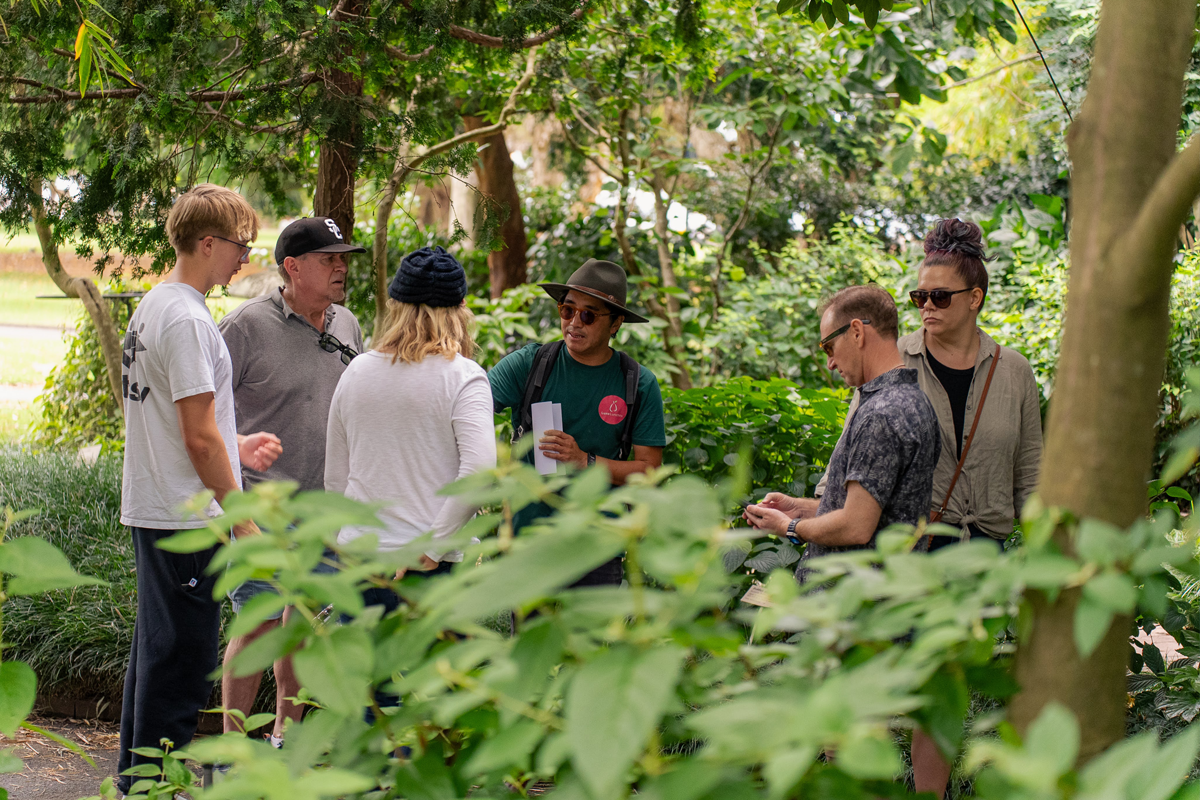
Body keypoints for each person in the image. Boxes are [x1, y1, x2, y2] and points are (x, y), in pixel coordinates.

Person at [117, 184, 282, 795]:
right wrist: (241, 517)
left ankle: (136, 786)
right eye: (241, 246)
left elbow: (179, 420)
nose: (245, 259)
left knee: (155, 658)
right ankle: (154, 788)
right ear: (207, 242)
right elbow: (197, 438)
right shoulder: (187, 318)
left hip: (157, 505)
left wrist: (232, 445)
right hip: (186, 519)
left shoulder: (156, 305)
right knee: (180, 672)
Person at [899, 218, 1043, 798]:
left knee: (944, 686)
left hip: (979, 550)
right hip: (909, 543)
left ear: (975, 297)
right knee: (882, 676)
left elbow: (1031, 471)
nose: (926, 307)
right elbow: (858, 450)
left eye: (939, 296)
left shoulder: (1014, 372)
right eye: (919, 297)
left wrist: (1040, 561)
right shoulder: (897, 360)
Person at [216, 217, 366, 745]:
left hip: (325, 508)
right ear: (292, 267)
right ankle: (230, 754)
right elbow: (204, 417)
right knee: (256, 629)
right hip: (262, 510)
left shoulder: (347, 325)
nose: (342, 267)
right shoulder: (244, 328)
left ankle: (285, 739)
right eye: (330, 259)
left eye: (344, 258)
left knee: (303, 624)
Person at [324, 246, 497, 608]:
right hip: (431, 563)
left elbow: (336, 477)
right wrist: (435, 546)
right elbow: (480, 471)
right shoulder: (464, 377)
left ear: (395, 305)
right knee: (437, 666)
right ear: (460, 309)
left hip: (360, 556)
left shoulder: (357, 370)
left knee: (362, 666)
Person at [487, 259, 667, 587]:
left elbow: (649, 471)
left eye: (588, 315)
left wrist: (585, 461)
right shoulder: (530, 364)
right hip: (529, 539)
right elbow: (469, 409)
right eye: (567, 310)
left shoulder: (637, 384)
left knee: (588, 638)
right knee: (530, 638)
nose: (573, 323)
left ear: (616, 324)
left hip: (597, 545)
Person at [742, 284, 939, 580]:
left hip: (857, 609)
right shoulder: (914, 400)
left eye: (828, 347)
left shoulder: (882, 412)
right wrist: (800, 509)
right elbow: (874, 508)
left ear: (857, 332)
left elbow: (856, 526)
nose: (830, 362)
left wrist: (788, 527)